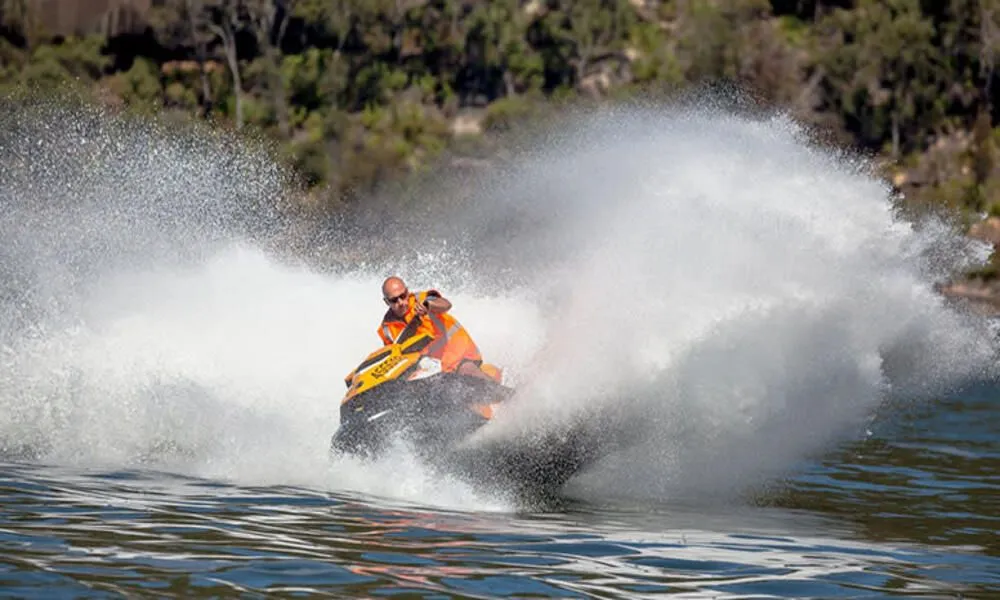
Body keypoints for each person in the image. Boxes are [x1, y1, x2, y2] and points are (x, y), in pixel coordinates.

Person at [377, 276, 502, 383]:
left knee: (467, 372)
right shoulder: (386, 329)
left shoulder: (421, 299)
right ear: (386, 302)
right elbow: (395, 360)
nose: (401, 302)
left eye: (403, 296)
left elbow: (446, 304)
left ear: (407, 291)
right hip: (432, 369)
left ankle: (507, 396)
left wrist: (429, 306)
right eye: (394, 300)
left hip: (459, 355)